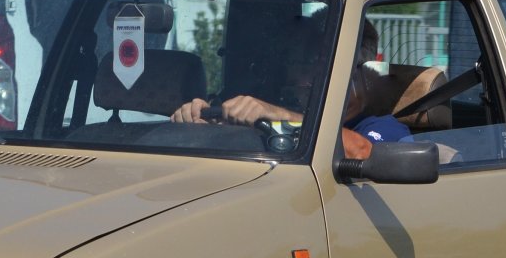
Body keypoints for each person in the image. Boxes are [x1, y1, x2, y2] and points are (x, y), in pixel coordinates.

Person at [171, 20, 410, 159]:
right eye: (296, 64)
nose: (300, 77)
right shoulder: (274, 115)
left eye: (316, 66)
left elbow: (361, 152)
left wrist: (277, 114)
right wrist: (206, 126)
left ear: (363, 73)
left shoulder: (385, 127)